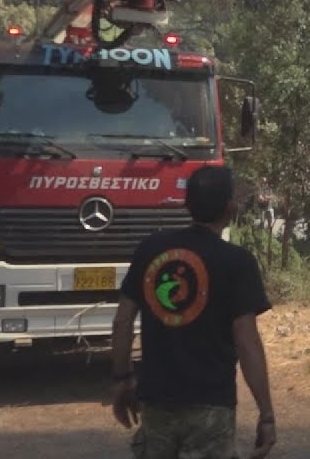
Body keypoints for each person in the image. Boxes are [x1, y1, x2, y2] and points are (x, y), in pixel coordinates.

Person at [110, 165, 276, 459]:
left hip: (156, 403)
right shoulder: (237, 262)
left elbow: (122, 322)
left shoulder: (151, 249)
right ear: (230, 208)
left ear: (187, 205)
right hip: (211, 408)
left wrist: (122, 378)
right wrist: (266, 414)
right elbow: (247, 342)